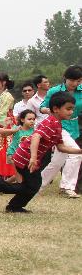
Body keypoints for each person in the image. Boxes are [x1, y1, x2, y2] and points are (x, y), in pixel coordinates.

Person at [0, 91, 82, 212]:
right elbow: (36, 136)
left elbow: (61, 147)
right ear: (56, 109)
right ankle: (0, 188)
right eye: (68, 109)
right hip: (25, 157)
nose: (71, 112)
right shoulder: (50, 123)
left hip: (27, 157)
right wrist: (33, 157)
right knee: (33, 186)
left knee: (31, 186)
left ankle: (10, 202)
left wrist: (79, 151)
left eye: (72, 109)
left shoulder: (57, 125)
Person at [38, 65, 82, 198]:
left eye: (78, 80)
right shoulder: (54, 91)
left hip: (74, 126)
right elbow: (42, 107)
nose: (75, 83)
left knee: (58, 160)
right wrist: (52, 111)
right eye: (72, 80)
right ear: (65, 78)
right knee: (76, 154)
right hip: (57, 125)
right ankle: (67, 187)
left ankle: (37, 184)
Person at [3, 109, 37, 184]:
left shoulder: (34, 131)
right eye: (29, 119)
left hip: (24, 156)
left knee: (21, 173)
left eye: (34, 119)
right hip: (12, 154)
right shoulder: (17, 128)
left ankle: (3, 184)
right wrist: (8, 126)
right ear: (22, 119)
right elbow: (4, 134)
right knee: (18, 173)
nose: (32, 121)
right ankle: (20, 187)